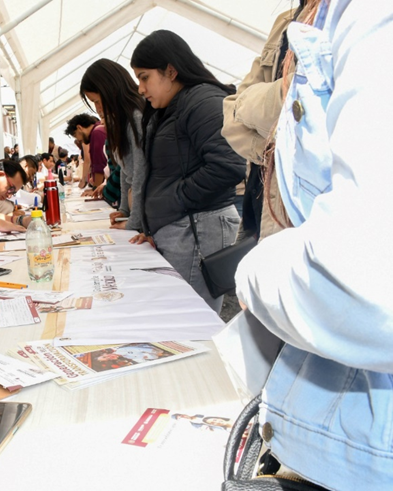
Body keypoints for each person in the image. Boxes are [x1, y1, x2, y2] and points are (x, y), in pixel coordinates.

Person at [236, 2, 393, 489]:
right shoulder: (320, 20)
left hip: (368, 450)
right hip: (343, 425)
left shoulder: (368, 17)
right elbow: (235, 117)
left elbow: (363, 282)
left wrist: (253, 274)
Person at [128, 30, 245, 312]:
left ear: (170, 71)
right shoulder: (172, 107)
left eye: (144, 77)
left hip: (196, 228)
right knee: (180, 316)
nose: (141, 89)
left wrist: (174, 201)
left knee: (191, 320)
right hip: (182, 227)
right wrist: (155, 222)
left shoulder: (202, 101)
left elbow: (228, 165)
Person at [222, 6, 300, 241]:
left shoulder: (345, 14)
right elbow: (230, 115)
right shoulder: (284, 21)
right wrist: (269, 150)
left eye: (145, 78)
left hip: (295, 217)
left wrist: (248, 103)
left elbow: (296, 97)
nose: (142, 89)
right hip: (260, 209)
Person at [80, 58, 152, 232]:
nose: (97, 108)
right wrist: (124, 211)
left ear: (111, 91)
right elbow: (125, 172)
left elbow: (140, 174)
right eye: (93, 103)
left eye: (98, 101)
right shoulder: (121, 121)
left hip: (148, 215)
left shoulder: (135, 118)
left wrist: (134, 221)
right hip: (139, 213)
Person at [64, 113, 107, 190]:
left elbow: (100, 165)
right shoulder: (95, 133)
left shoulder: (97, 132)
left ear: (79, 128)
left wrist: (95, 190)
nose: (78, 140)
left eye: (76, 136)